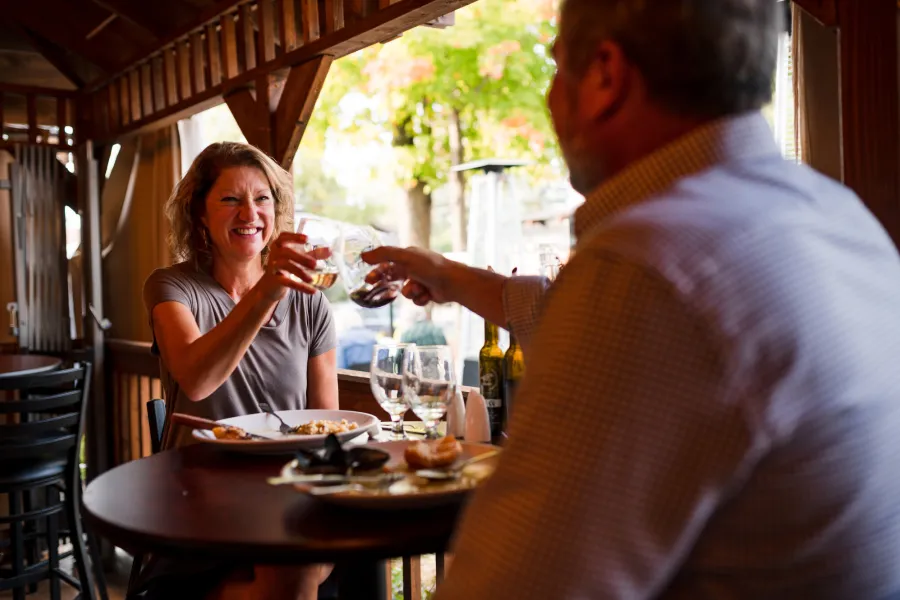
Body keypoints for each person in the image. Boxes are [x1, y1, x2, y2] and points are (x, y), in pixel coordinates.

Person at [363, 1, 900, 598]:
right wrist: (454, 277)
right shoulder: (835, 215)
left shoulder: (651, 266)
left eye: (556, 66)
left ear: (605, 76)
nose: (549, 98)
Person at [142, 142, 336, 600]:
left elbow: (328, 427)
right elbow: (196, 376)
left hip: (288, 494)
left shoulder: (311, 301)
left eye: (262, 198)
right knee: (292, 576)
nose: (249, 211)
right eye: (230, 199)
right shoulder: (172, 287)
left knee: (304, 565)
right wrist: (266, 292)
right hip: (201, 503)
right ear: (200, 215)